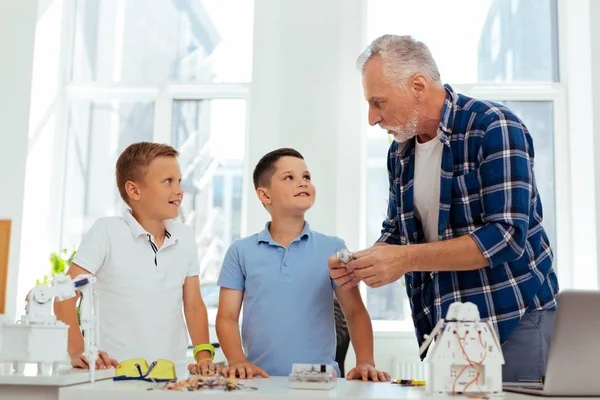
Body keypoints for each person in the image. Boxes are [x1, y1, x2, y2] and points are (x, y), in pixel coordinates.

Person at [328, 35, 559, 382]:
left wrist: (404, 259)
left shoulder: (494, 126)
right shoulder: (400, 153)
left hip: (513, 318)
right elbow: (397, 232)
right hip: (445, 329)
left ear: (418, 85)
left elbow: (506, 237)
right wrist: (367, 262)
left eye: (378, 102)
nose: (372, 118)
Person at [208, 148, 390, 381]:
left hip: (320, 383)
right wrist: (237, 360)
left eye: (306, 177)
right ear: (265, 195)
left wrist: (365, 361)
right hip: (260, 382)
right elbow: (227, 316)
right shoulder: (240, 251)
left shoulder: (334, 248)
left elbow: (354, 312)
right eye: (289, 178)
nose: (303, 183)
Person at [55, 142, 218, 373]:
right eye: (168, 181)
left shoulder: (185, 236)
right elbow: (63, 297)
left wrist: (203, 355)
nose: (179, 190)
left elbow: (193, 305)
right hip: (113, 374)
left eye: (179, 181)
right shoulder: (106, 231)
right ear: (134, 190)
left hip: (172, 374)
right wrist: (77, 350)